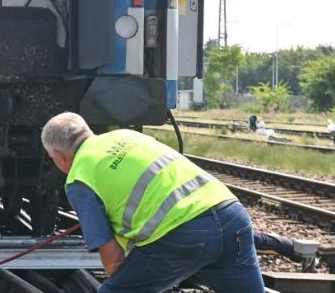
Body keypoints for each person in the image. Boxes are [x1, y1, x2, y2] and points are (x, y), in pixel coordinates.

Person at [41, 112, 264, 293]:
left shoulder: (79, 177)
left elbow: (113, 259)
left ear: (60, 156)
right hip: (232, 216)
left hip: (182, 234)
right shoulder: (127, 135)